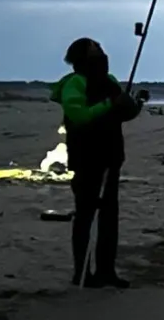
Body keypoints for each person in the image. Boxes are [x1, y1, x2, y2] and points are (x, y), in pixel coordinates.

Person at [50, 37, 141, 289]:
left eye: (100, 47)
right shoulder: (74, 83)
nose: (100, 50)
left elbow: (125, 113)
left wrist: (130, 105)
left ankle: (106, 271)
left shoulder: (109, 81)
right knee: (86, 215)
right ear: (80, 56)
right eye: (94, 48)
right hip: (87, 158)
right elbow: (79, 116)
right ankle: (82, 273)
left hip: (111, 156)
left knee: (109, 218)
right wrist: (110, 104)